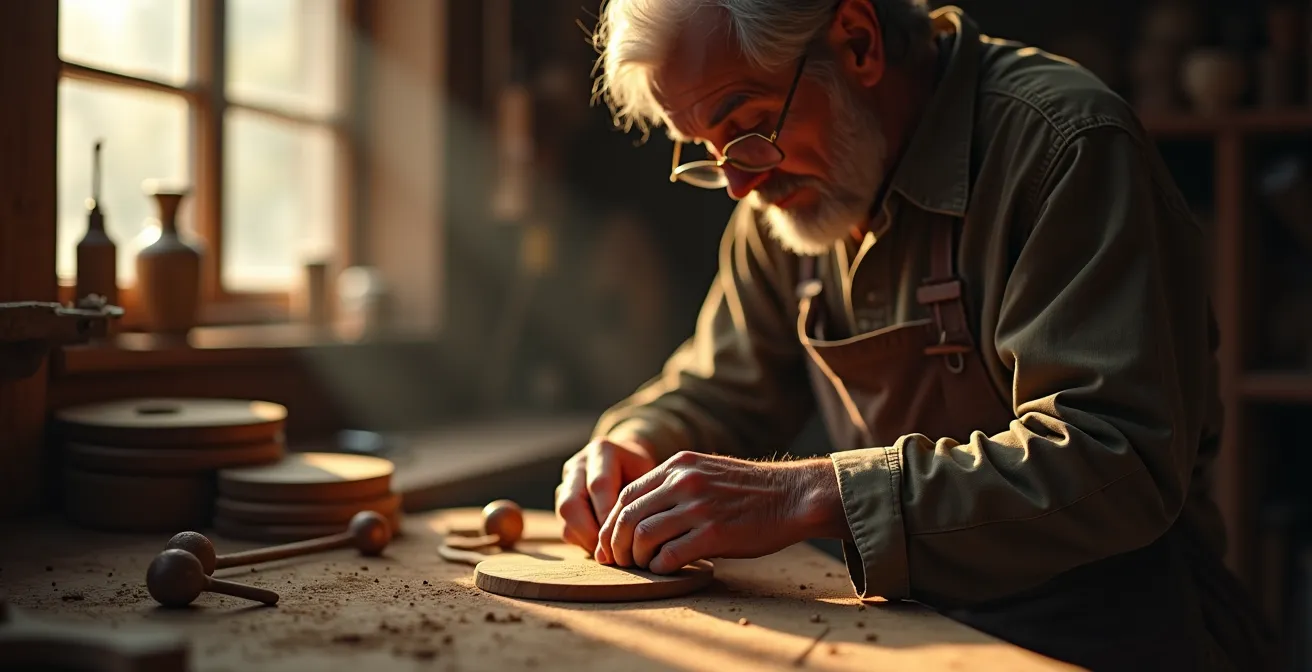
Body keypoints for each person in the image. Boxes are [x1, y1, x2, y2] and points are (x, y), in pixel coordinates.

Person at [554, 1, 1276, 669]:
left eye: (745, 126)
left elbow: (1115, 458)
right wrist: (636, 444)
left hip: (1107, 636)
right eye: (706, 150)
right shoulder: (782, 192)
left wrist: (806, 496)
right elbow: (724, 384)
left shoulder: (1064, 149)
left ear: (859, 42)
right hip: (912, 632)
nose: (741, 184)